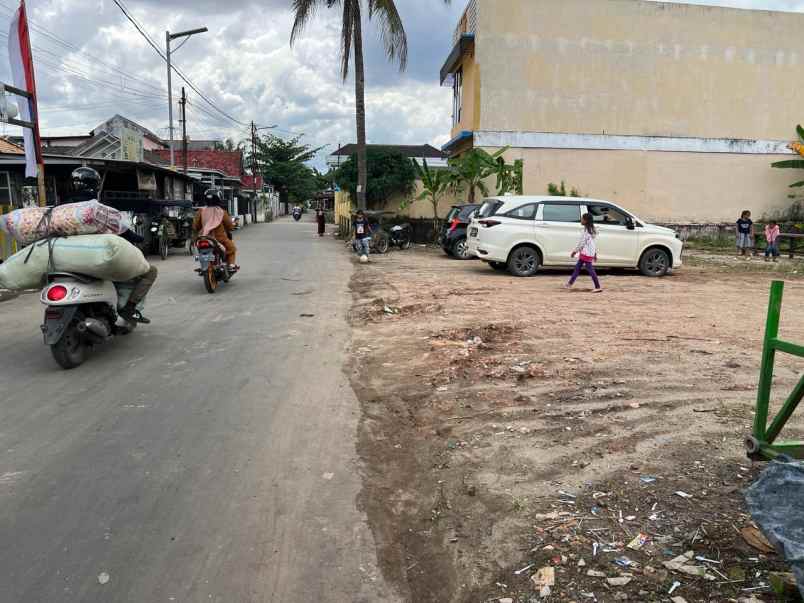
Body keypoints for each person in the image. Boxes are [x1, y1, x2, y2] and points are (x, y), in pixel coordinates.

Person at [67, 167, 156, 324]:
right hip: (98, 261)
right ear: (96, 186)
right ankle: (129, 308)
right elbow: (123, 231)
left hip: (68, 263)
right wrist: (139, 238)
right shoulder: (99, 210)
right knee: (150, 272)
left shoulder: (61, 211)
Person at [193, 188, 237, 269]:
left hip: (204, 238)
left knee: (199, 248)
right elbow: (229, 226)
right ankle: (231, 265)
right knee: (232, 249)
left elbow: (196, 226)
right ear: (218, 199)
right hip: (220, 239)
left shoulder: (201, 211)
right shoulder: (222, 212)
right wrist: (233, 226)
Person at [564, 212, 602, 293]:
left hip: (586, 253)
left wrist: (575, 251)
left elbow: (582, 243)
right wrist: (594, 253)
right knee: (577, 268)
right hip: (588, 252)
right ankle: (569, 284)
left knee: (590, 269)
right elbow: (592, 243)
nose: (581, 220)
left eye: (582, 219)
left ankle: (598, 286)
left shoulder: (586, 232)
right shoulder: (591, 230)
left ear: (586, 221)